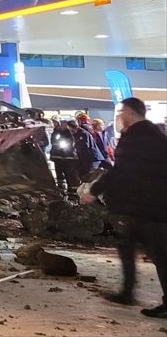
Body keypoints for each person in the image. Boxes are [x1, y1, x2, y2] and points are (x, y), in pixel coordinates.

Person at [83, 97, 167, 318]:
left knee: (160, 256)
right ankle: (127, 292)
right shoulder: (154, 136)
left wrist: (94, 190)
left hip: (147, 209)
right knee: (127, 247)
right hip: (140, 207)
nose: (120, 117)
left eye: (122, 112)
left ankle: (135, 294)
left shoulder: (138, 138)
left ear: (131, 112)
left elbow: (119, 170)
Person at [50, 119, 80, 194]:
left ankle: (72, 190)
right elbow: (53, 141)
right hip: (57, 157)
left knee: (70, 174)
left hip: (68, 158)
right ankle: (61, 189)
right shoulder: (56, 132)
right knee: (59, 174)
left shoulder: (69, 133)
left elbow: (71, 141)